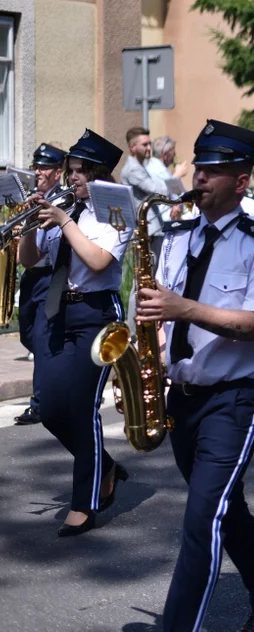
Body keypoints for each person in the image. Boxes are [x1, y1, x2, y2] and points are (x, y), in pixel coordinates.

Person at [136, 119, 254, 631]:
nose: (198, 178)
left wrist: (183, 309)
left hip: (234, 399)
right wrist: (152, 345)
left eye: (213, 171)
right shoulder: (178, 235)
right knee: (228, 507)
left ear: (241, 181)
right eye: (199, 168)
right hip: (181, 394)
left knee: (202, 519)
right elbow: (163, 311)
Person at [18, 129, 132, 536]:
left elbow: (98, 260)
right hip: (55, 311)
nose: (73, 177)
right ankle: (104, 464)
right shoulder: (65, 204)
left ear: (100, 174)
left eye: (82, 171)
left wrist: (64, 221)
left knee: (82, 408)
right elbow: (31, 261)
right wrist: (32, 223)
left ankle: (85, 503)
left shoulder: (116, 208)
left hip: (96, 316)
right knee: (48, 407)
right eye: (72, 170)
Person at [12, 143, 65, 426]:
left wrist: (29, 229)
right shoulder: (34, 198)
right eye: (36, 166)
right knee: (28, 335)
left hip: (50, 276)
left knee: (43, 339)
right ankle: (61, 379)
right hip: (33, 275)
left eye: (44, 167)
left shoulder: (60, 202)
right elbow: (27, 257)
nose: (38, 172)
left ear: (58, 173)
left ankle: (41, 403)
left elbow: (44, 249)